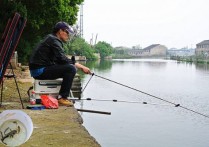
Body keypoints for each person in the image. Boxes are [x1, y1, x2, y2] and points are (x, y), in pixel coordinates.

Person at [29, 21, 91, 106]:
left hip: (38, 70)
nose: (68, 35)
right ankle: (62, 98)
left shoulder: (52, 39)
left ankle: (61, 95)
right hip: (39, 71)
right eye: (67, 32)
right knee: (71, 69)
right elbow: (62, 59)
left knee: (69, 67)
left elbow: (59, 59)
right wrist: (81, 66)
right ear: (60, 31)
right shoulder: (54, 40)